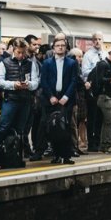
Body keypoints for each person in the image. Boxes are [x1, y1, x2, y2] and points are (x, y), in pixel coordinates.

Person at [0, 38, 39, 166]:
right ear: (13, 50)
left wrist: (28, 85)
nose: (21, 55)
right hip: (10, 100)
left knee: (21, 131)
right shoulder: (4, 63)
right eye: (19, 52)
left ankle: (16, 156)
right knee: (3, 128)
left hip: (25, 101)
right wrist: (13, 85)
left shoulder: (30, 63)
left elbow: (36, 82)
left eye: (23, 52)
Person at [32, 36, 77, 164]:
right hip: (49, 99)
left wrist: (66, 97)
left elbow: (74, 81)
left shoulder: (72, 63)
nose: (60, 47)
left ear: (66, 48)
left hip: (65, 99)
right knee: (49, 126)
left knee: (65, 126)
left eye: (63, 45)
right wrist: (51, 96)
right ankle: (54, 154)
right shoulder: (47, 63)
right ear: (53, 48)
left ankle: (66, 155)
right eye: (58, 45)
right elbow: (43, 81)